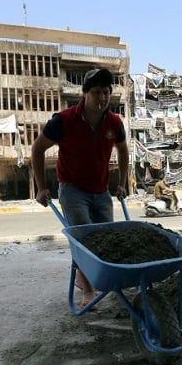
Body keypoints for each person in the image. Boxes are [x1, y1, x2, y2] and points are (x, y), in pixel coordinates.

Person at [31, 68, 129, 308]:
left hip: (101, 189)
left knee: (106, 239)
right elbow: (37, 149)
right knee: (82, 239)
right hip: (72, 188)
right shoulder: (63, 121)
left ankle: (96, 278)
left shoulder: (114, 122)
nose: (102, 98)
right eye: (96, 92)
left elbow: (123, 150)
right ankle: (88, 290)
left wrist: (123, 183)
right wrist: (41, 187)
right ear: (85, 94)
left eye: (106, 92)